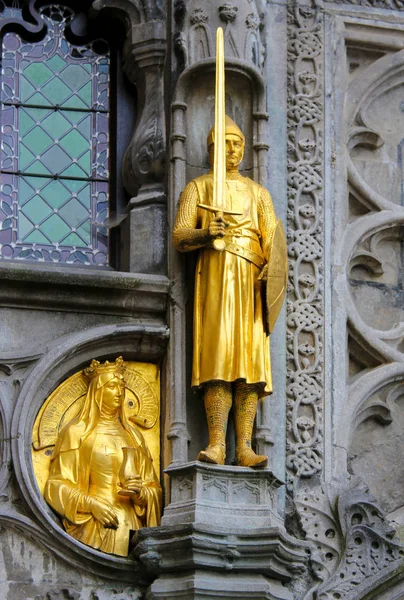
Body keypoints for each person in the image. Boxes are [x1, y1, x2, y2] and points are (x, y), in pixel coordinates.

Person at [173, 116, 278, 468]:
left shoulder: (258, 193)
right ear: (211, 149)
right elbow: (180, 235)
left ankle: (244, 447)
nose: (231, 151)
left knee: (248, 365)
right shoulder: (198, 187)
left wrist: (270, 269)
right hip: (216, 277)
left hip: (250, 281)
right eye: (224, 144)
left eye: (237, 144)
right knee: (217, 360)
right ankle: (217, 442)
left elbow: (274, 241)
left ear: (245, 149)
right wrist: (207, 233)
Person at [45, 357, 161, 557]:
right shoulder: (76, 432)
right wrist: (90, 504)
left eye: (122, 386)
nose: (119, 392)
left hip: (131, 525)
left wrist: (142, 494)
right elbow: (55, 485)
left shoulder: (135, 436)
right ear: (97, 392)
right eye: (112, 386)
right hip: (94, 523)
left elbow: (154, 487)